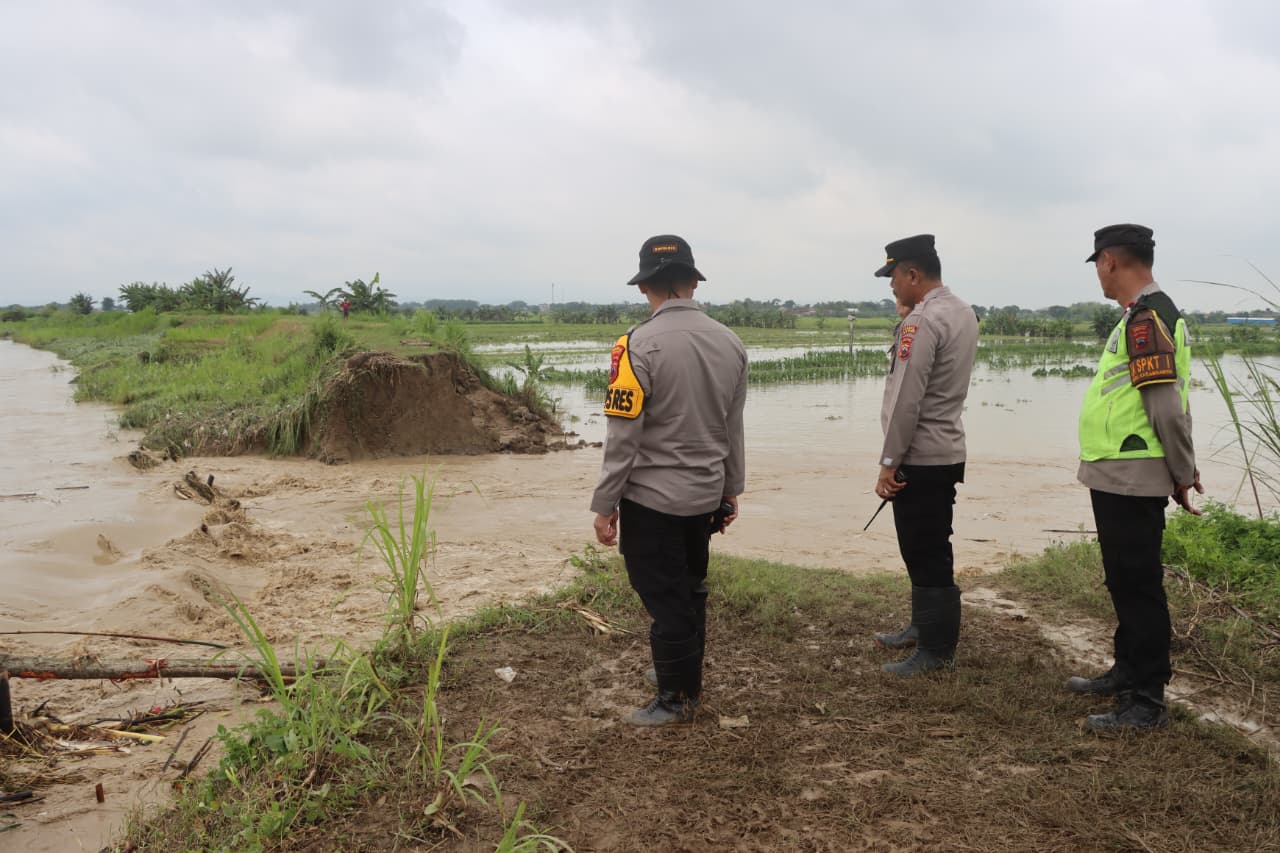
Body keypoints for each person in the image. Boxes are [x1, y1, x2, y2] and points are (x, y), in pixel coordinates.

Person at [590, 234, 748, 727]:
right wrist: (730, 489)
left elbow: (624, 436)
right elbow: (733, 426)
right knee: (690, 587)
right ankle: (685, 683)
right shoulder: (730, 342)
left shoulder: (637, 345)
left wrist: (605, 502)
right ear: (693, 282)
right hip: (704, 496)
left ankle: (676, 699)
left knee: (664, 596)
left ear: (646, 288)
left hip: (653, 499)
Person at [1072, 224, 1202, 732]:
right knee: (1123, 580)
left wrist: (1182, 472)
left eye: (1098, 267)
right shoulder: (1141, 317)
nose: (1099, 277)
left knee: (1139, 585)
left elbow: (1167, 407)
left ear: (1109, 261)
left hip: (1133, 471)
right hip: (1116, 471)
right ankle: (1126, 671)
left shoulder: (1147, 318)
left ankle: (1146, 700)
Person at [871, 234, 979, 676]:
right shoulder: (961, 311)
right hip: (947, 447)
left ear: (913, 273)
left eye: (894, 277)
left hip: (921, 454)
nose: (892, 287)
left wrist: (889, 461)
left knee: (926, 547)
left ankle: (935, 650)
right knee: (924, 545)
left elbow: (906, 398)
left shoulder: (923, 320)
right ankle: (922, 624)